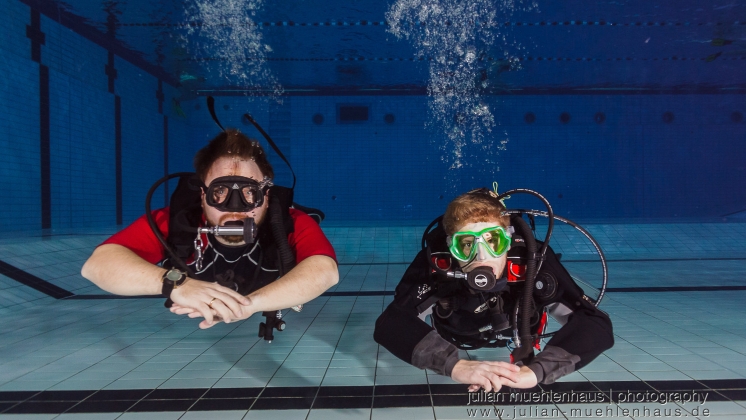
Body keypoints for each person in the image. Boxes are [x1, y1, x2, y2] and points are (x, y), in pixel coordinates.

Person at [82, 129, 339, 329]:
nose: (235, 209)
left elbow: (325, 272)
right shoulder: (178, 222)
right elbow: (97, 265)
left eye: (250, 192)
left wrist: (247, 306)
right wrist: (176, 285)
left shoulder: (290, 222)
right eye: (221, 192)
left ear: (267, 197)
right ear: (203, 195)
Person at [374, 188, 613, 391]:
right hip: (455, 334)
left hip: (521, 330)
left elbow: (594, 323)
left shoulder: (532, 260)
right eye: (466, 244)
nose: (481, 255)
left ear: (508, 241)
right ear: (451, 247)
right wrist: (454, 365)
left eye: (492, 241)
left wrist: (538, 371)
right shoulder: (438, 264)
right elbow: (392, 321)